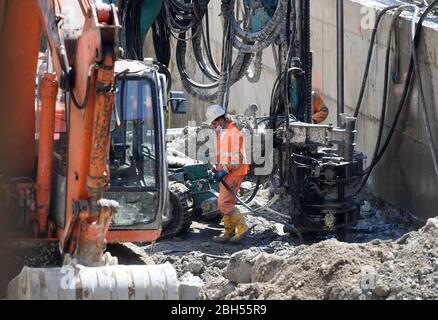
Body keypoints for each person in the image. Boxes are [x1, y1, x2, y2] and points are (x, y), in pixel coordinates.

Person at [205, 104, 251, 244]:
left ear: (220, 120)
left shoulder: (233, 132)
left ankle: (242, 228)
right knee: (227, 202)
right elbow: (225, 152)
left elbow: (237, 158)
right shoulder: (226, 131)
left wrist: (223, 170)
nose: (213, 126)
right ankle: (228, 232)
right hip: (228, 172)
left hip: (233, 172)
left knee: (224, 203)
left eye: (214, 123)